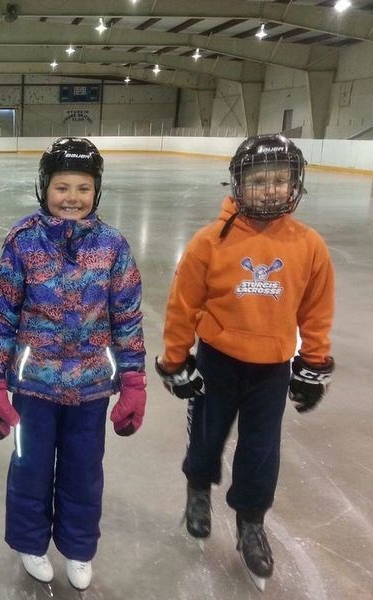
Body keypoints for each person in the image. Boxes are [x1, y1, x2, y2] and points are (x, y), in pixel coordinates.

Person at [154, 133, 335, 591]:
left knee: (261, 449)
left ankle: (251, 521)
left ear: (296, 185)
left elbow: (316, 309)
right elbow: (183, 305)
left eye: (281, 179)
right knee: (207, 434)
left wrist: (312, 362)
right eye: (260, 180)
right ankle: (199, 488)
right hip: (217, 362)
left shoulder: (309, 246)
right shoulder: (209, 242)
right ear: (238, 183)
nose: (271, 188)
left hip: (272, 367)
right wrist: (176, 360)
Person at [0, 137, 147, 591]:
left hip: (92, 386)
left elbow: (127, 316)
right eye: (61, 187)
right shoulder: (23, 242)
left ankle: (77, 547)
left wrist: (133, 380)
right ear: (43, 188)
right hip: (34, 386)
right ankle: (30, 543)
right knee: (29, 469)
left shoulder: (113, 246)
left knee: (84, 472)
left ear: (97, 192)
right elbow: (2, 315)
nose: (72, 198)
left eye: (83, 188)